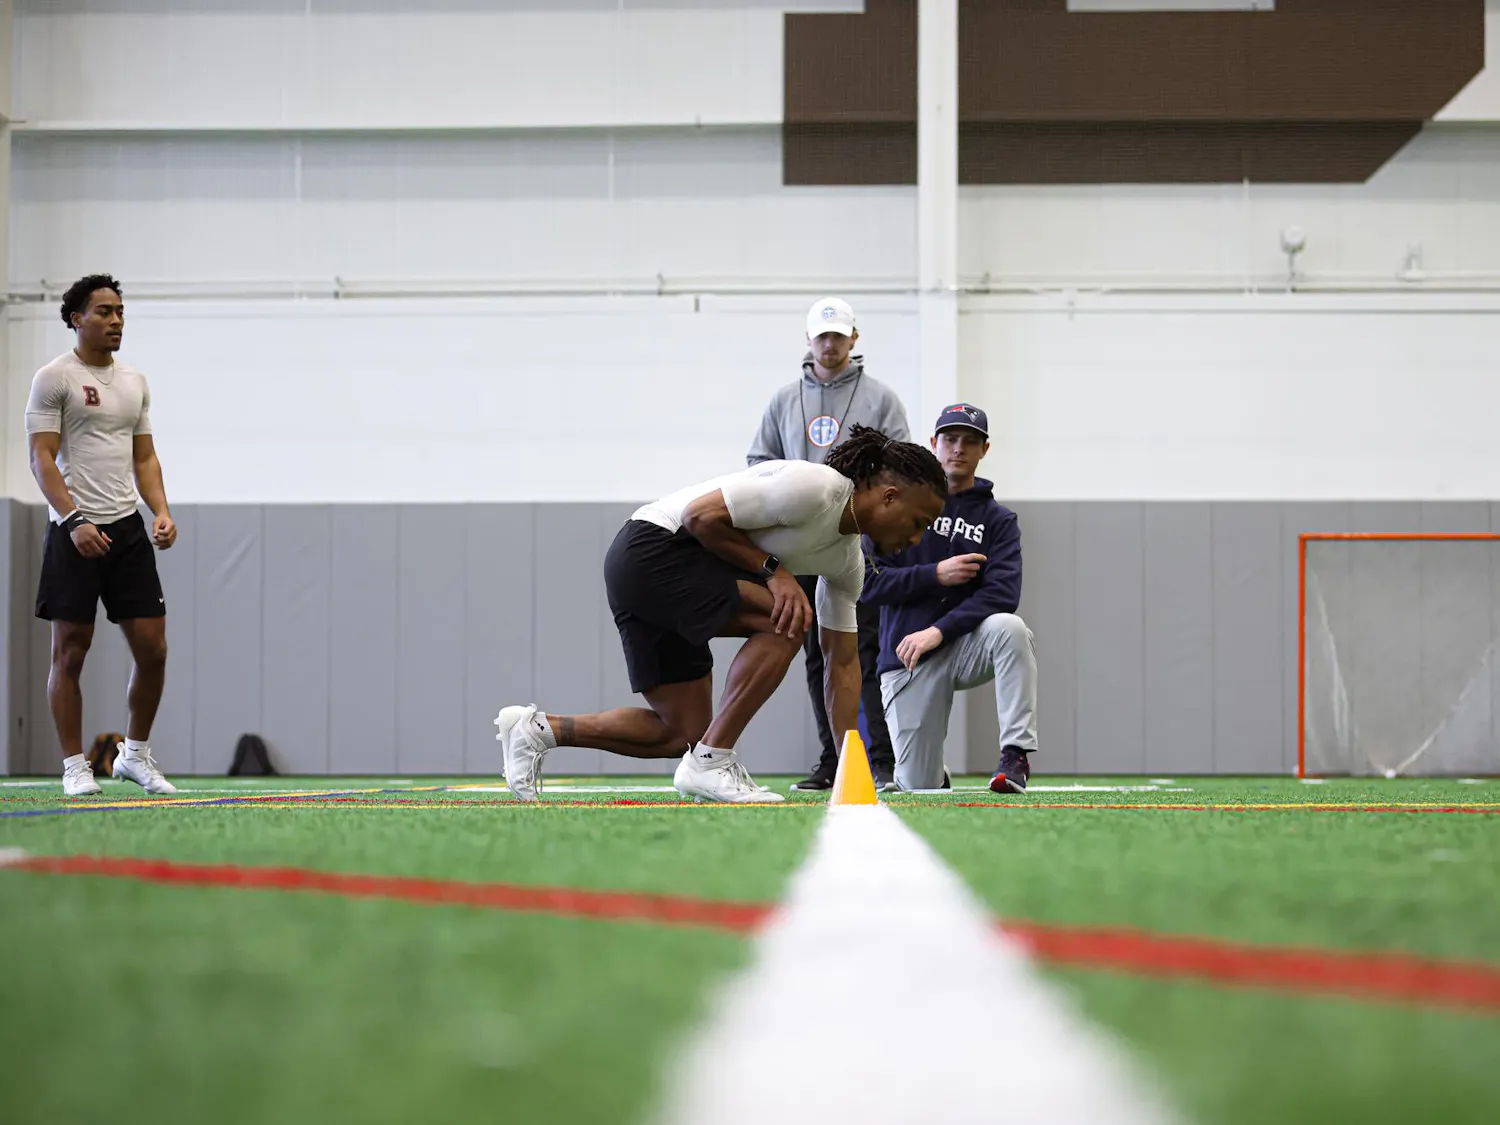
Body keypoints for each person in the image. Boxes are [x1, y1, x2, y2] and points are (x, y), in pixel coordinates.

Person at [495, 425, 947, 803]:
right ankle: (713, 760)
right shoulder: (818, 487)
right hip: (653, 549)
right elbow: (699, 516)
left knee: (679, 733)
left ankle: (538, 729)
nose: (917, 538)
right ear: (889, 497)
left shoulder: (847, 563)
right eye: (918, 522)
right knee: (787, 616)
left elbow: (843, 664)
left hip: (665, 575)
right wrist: (776, 573)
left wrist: (852, 761)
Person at [25, 274, 179, 797]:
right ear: (76, 318)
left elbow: (145, 456)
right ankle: (74, 766)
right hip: (73, 531)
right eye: (104, 312)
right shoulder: (54, 378)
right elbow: (41, 457)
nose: (116, 320)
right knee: (71, 651)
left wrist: (159, 511)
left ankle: (134, 756)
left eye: (120, 312)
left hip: (126, 530)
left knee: (153, 650)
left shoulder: (134, 381)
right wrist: (74, 521)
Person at [747, 297, 909, 792]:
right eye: (822, 335)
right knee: (814, 654)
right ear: (809, 340)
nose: (830, 343)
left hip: (856, 542)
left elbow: (901, 464)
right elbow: (759, 462)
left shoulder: (880, 397)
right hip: (798, 546)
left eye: (839, 335)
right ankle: (832, 758)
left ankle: (879, 758)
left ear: (853, 339)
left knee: (862, 649)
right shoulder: (782, 400)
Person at [862, 404, 1038, 794]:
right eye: (950, 439)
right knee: (917, 787)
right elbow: (868, 584)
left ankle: (1015, 753)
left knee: (1010, 629)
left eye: (970, 441)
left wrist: (939, 631)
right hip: (907, 653)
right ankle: (931, 770)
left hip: (964, 644)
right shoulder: (897, 502)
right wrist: (935, 574)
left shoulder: (998, 520)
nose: (959, 448)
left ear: (984, 450)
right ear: (933, 444)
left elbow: (1004, 594)